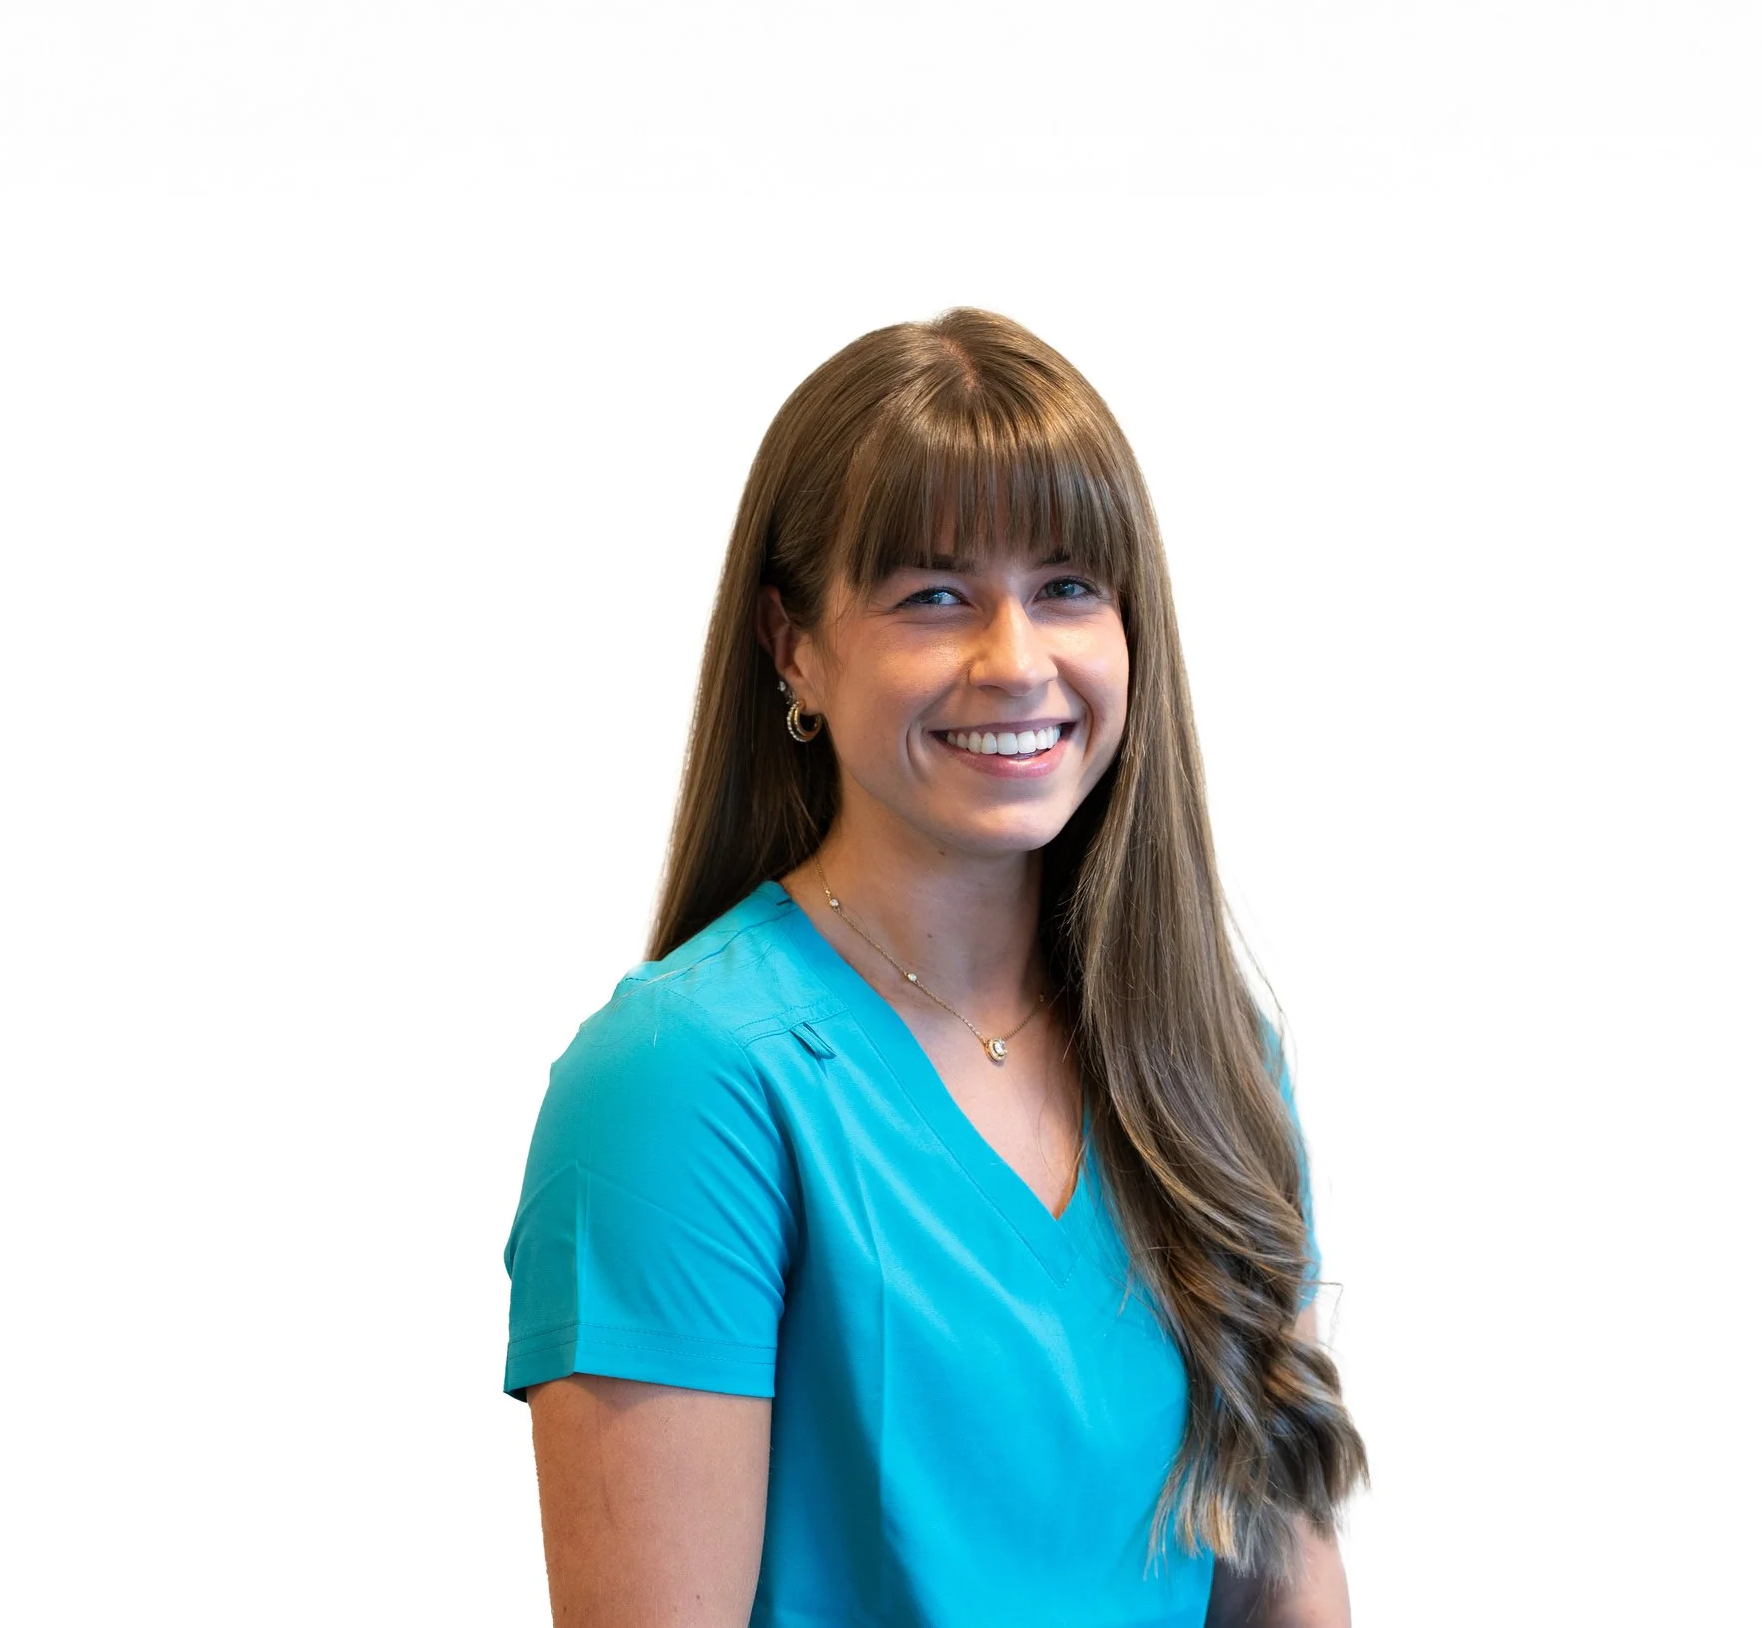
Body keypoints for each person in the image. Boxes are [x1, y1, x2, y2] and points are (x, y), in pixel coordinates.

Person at [500, 307, 1366, 1626]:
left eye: (1069, 586)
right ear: (793, 644)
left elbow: (1281, 1591)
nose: (1016, 661)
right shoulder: (685, 1084)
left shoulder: (1211, 1056)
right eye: (935, 594)